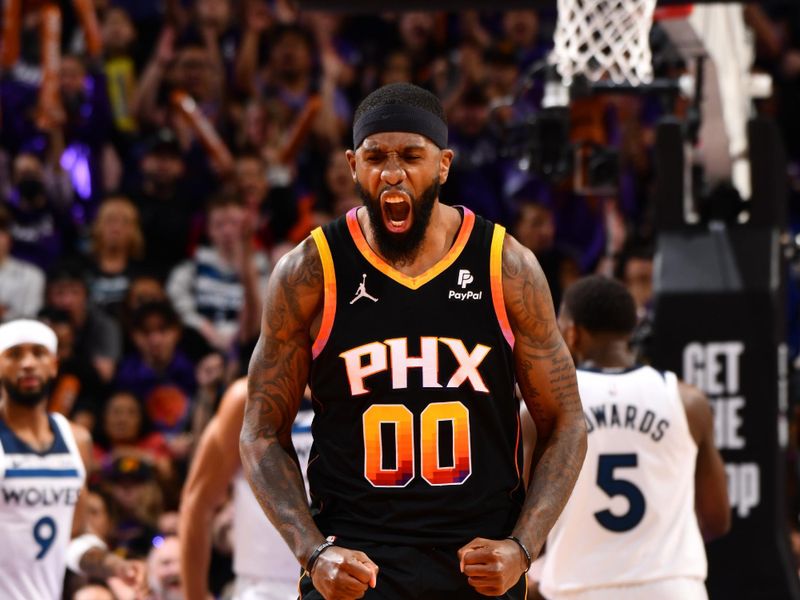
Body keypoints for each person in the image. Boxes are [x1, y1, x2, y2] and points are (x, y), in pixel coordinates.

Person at [240, 82, 587, 600]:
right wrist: (311, 552)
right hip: (355, 562)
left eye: (411, 155)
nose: (393, 172)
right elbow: (261, 432)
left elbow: (566, 421)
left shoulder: (505, 265)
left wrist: (522, 546)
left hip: (476, 560)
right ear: (353, 164)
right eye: (376, 156)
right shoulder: (310, 271)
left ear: (443, 164)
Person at [534, 276, 730, 599]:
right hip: (672, 587)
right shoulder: (687, 402)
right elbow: (717, 518)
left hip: (579, 589)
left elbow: (526, 520)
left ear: (571, 333)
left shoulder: (546, 405)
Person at [0, 318, 144, 599]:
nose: (28, 363)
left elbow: (75, 537)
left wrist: (114, 565)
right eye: (14, 354)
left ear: (53, 365)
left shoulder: (76, 439)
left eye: (38, 353)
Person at [179, 378, 313, 600]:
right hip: (266, 586)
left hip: (350, 577)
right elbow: (198, 501)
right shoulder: (249, 396)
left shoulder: (369, 385)